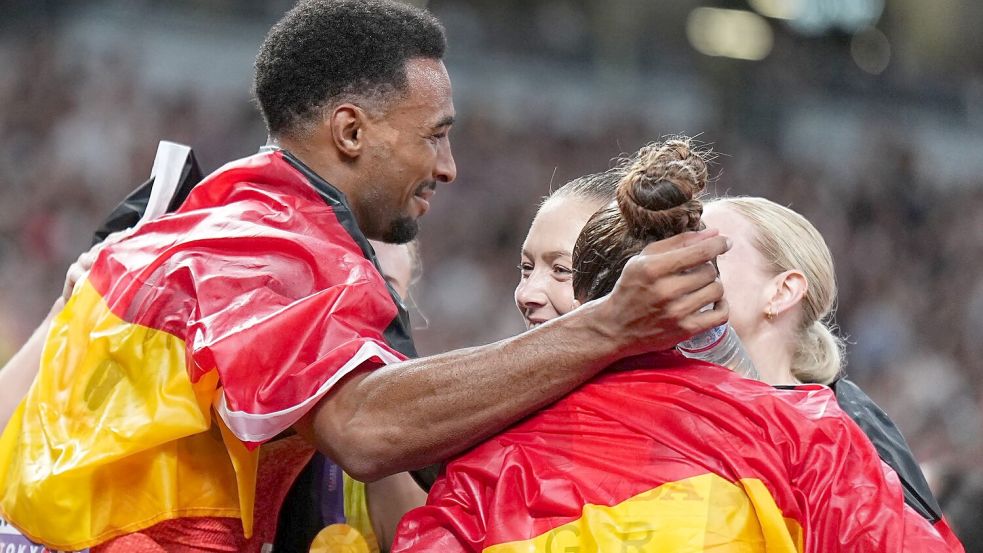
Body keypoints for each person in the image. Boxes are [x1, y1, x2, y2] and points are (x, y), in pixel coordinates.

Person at [0, 2, 730, 551]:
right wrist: (607, 326)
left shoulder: (237, 219)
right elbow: (363, 425)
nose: (448, 168)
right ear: (350, 132)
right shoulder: (264, 244)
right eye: (435, 135)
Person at [393, 138, 962, 551]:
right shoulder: (813, 437)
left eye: (558, 270)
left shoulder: (488, 458)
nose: (529, 293)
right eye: (525, 268)